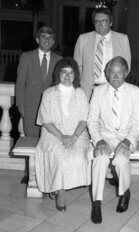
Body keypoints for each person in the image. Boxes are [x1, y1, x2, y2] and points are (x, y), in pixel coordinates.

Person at [87, 56, 139, 224]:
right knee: (100, 158)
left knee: (120, 160)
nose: (116, 76)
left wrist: (127, 141)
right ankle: (96, 203)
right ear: (106, 73)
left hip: (127, 136)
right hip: (105, 136)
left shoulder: (134, 92)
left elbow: (138, 121)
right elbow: (92, 120)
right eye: (112, 72)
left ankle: (125, 192)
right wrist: (98, 140)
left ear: (126, 73)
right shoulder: (98, 91)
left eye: (120, 72)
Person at [35, 57, 92, 211]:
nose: (67, 76)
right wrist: (61, 137)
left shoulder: (80, 93)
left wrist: (73, 137)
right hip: (52, 134)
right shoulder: (48, 93)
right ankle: (61, 192)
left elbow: (84, 119)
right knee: (60, 156)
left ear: (76, 75)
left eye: (71, 72)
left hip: (77, 134)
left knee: (78, 155)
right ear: (57, 74)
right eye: (64, 72)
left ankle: (60, 186)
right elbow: (46, 121)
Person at [16, 26, 62, 184]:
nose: (47, 40)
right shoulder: (26, 57)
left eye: (50, 38)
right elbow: (20, 83)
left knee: (49, 142)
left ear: (54, 41)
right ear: (37, 40)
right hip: (31, 107)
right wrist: (20, 104)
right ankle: (30, 173)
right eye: (43, 37)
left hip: (51, 109)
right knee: (31, 141)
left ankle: (47, 174)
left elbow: (61, 85)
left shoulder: (58, 59)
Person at [74, 7, 131, 101]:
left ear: (111, 22)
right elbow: (77, 66)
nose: (100, 24)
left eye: (104, 21)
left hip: (112, 90)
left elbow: (126, 67)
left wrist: (116, 85)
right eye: (96, 21)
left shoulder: (122, 39)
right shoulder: (83, 39)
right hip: (88, 91)